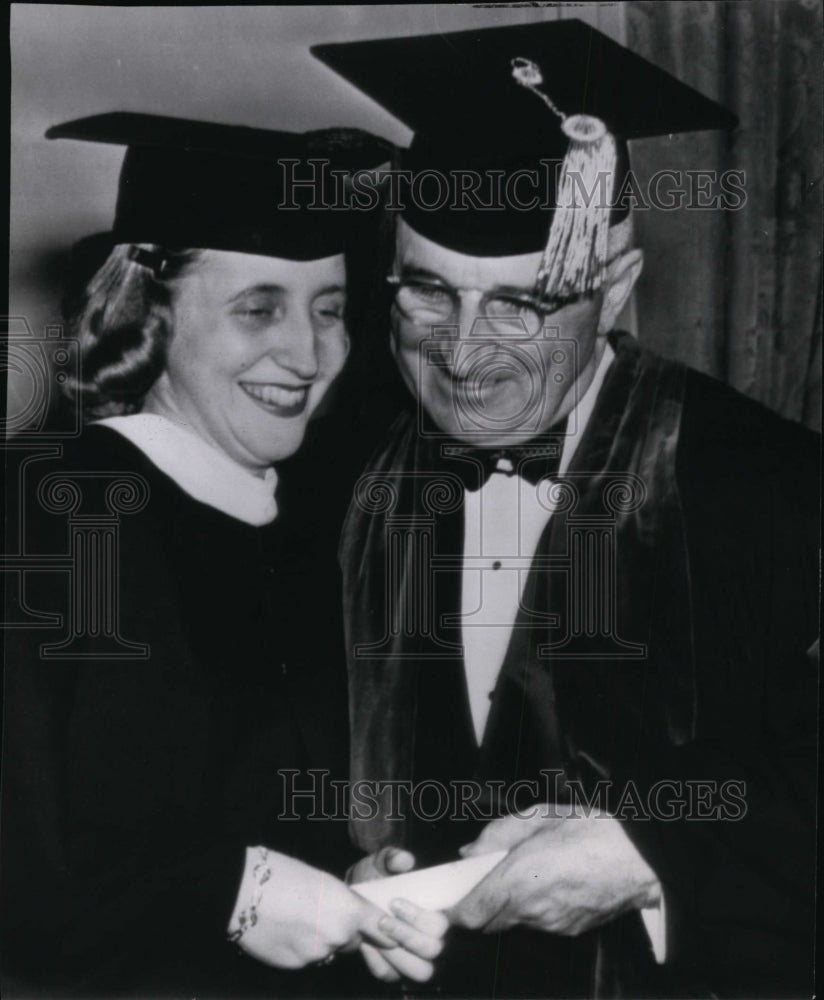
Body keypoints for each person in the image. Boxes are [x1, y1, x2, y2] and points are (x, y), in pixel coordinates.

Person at [311, 21, 819, 999]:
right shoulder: (344, 483)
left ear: (615, 289)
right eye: (426, 293)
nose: (462, 355)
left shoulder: (770, 486)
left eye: (520, 305)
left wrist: (648, 852)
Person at [0, 112, 448, 998]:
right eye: (259, 309)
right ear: (148, 313)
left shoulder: (311, 531)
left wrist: (347, 889)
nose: (308, 353)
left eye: (330, 309)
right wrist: (236, 895)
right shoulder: (49, 515)